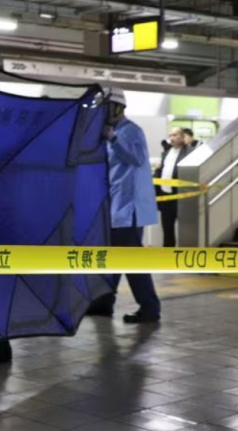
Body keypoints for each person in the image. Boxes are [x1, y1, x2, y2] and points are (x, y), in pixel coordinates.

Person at [88, 86, 161, 324]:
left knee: (130, 259)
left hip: (129, 210)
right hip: (117, 208)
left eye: (105, 108)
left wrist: (114, 138)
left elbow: (137, 159)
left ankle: (150, 307)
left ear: (117, 108)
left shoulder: (130, 131)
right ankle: (104, 302)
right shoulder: (110, 133)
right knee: (114, 255)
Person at [155, 127, 191, 248]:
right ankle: (167, 256)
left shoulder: (189, 152)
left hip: (181, 197)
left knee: (186, 229)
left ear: (182, 136)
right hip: (166, 197)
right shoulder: (166, 153)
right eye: (170, 135)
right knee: (167, 229)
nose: (172, 138)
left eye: (175, 135)